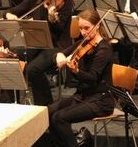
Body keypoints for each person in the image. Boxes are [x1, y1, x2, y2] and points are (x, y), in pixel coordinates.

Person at [6, 0, 75, 106]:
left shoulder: (65, 0)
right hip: (38, 43)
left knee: (33, 69)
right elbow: (12, 11)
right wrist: (9, 15)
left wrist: (52, 17)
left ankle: (45, 106)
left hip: (56, 46)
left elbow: (59, 29)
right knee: (12, 60)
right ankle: (13, 103)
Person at [46, 9, 114, 147]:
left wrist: (76, 71)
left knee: (59, 118)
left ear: (98, 26)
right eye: (81, 28)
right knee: (47, 113)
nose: (83, 32)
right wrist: (59, 56)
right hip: (83, 96)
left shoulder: (103, 50)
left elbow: (92, 78)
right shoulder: (83, 43)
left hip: (100, 100)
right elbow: (61, 53)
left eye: (87, 28)